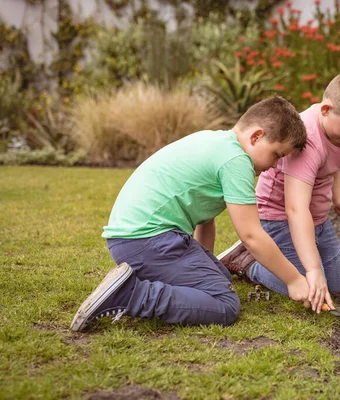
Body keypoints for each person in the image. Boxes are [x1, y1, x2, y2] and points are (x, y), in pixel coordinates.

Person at [70, 96, 312, 332]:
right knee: (225, 304)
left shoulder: (216, 142)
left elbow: (204, 217)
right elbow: (251, 235)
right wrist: (294, 280)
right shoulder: (237, 160)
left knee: (220, 276)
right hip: (147, 241)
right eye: (277, 155)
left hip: (136, 238)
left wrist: (204, 261)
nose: (274, 165)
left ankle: (135, 286)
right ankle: (131, 295)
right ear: (256, 136)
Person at [221, 70, 340, 313]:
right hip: (280, 219)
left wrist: (338, 199)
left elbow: (332, 167)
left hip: (316, 218)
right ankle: (248, 261)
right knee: (308, 287)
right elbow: (295, 209)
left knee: (336, 285)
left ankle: (289, 263)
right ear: (326, 110)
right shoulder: (309, 141)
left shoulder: (339, 130)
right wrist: (313, 270)